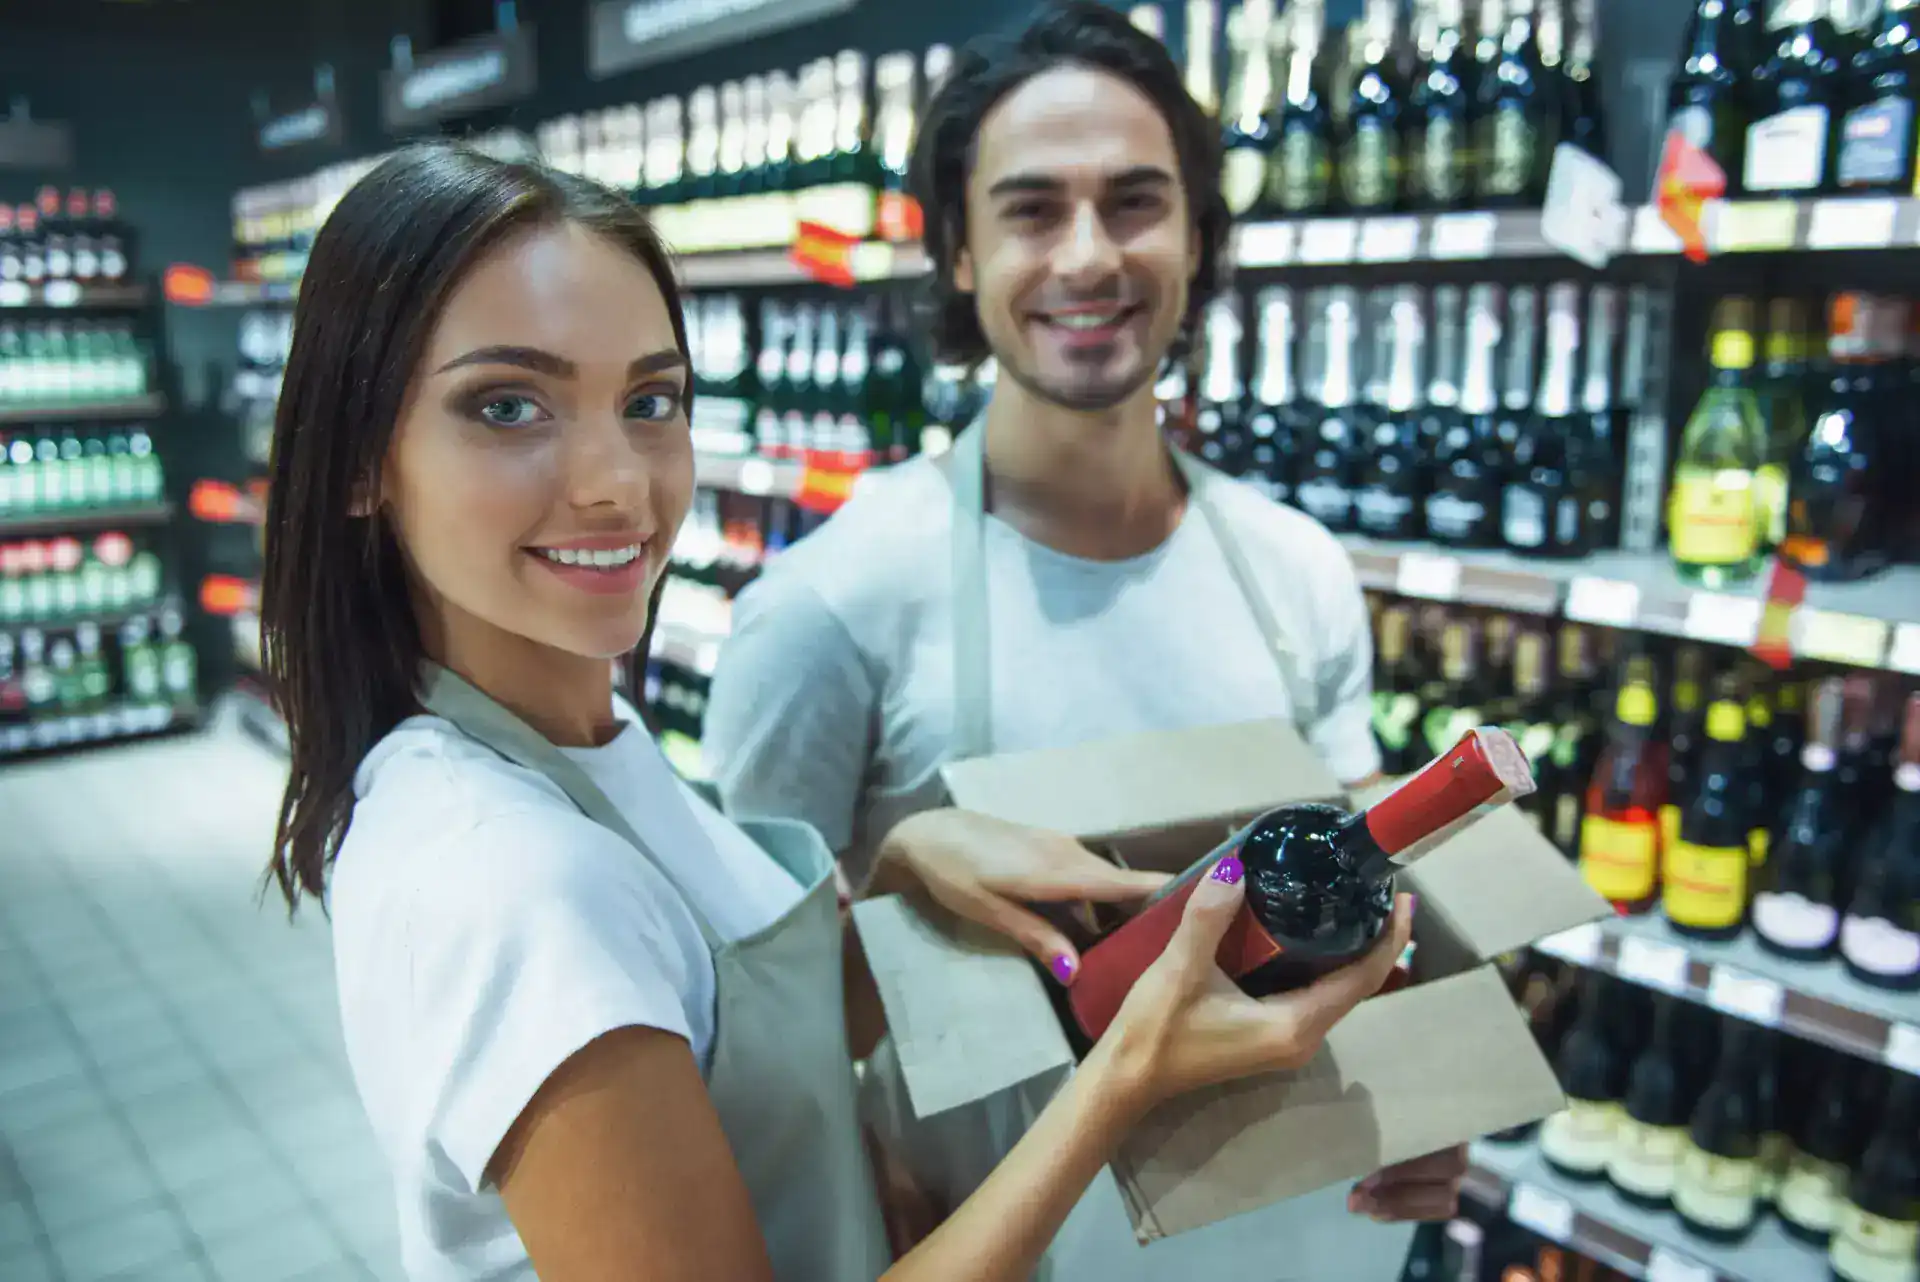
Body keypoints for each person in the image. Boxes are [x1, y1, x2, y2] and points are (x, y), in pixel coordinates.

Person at [256, 140, 1415, 1282]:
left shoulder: (574, 745)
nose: (617, 480)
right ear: (361, 457)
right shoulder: (508, 873)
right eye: (508, 406)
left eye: (650, 399)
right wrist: (1119, 1080)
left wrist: (902, 876)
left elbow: (749, 1061)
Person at [703, 4, 1468, 1279]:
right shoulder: (832, 607)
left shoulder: (1294, 571)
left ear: (1199, 234)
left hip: (1297, 1242)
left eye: (1134, 201)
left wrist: (1414, 1086)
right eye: (1031, 210)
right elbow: (757, 1035)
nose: (1088, 255)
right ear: (957, 251)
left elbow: (1350, 896)